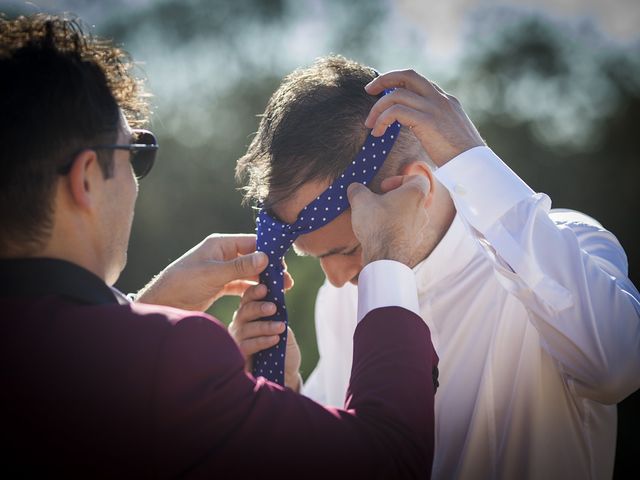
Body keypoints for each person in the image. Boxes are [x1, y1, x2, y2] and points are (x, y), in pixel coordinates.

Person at [0, 15, 439, 478]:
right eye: (135, 154)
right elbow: (389, 457)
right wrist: (387, 258)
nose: (135, 182)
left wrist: (147, 307)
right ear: (86, 176)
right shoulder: (170, 358)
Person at [233, 56, 640, 479]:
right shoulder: (341, 298)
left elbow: (617, 367)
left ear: (418, 186)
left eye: (346, 249)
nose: (334, 279)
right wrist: (285, 393)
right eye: (315, 258)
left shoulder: (564, 245)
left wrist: (469, 156)